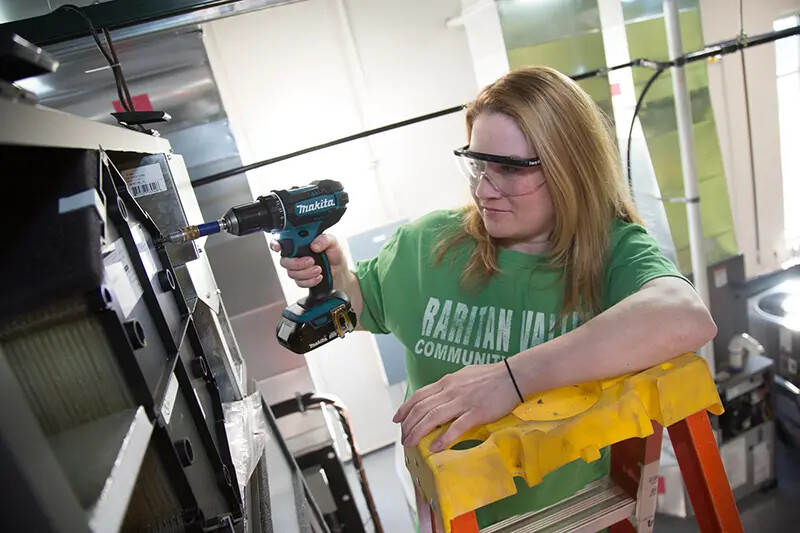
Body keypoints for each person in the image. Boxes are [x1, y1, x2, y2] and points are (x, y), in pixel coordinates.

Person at [271, 66, 717, 528]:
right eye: (478, 164)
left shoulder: (611, 251)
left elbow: (684, 316)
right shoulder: (428, 244)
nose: (484, 190)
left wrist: (511, 379)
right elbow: (362, 306)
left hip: (568, 518)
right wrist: (340, 277)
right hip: (446, 513)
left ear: (571, 167)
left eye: (508, 168)